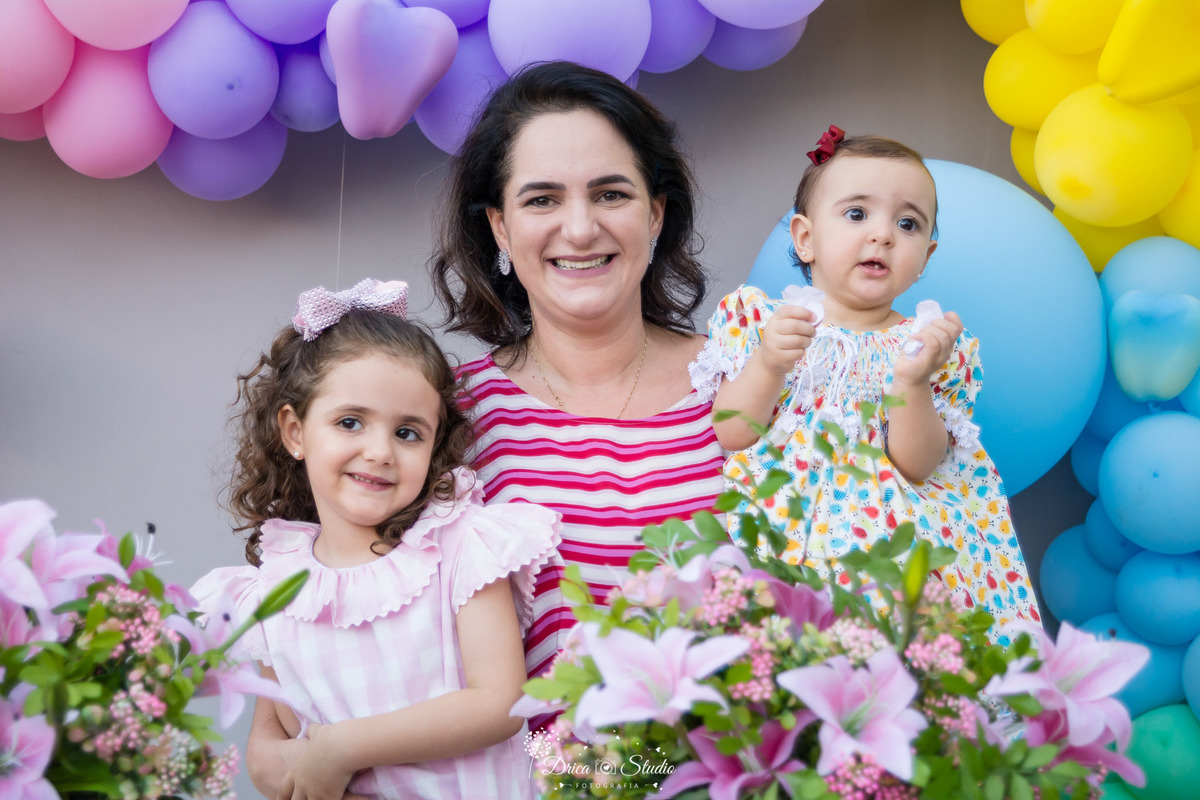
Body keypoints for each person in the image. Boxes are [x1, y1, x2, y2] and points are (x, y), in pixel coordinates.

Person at [191, 279, 560, 799]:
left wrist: (344, 748)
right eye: (350, 422)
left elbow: (498, 703)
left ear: (434, 445)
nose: (380, 451)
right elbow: (269, 746)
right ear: (295, 432)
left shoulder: (460, 548)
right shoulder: (276, 587)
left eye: (407, 432)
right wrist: (294, 762)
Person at [430, 61, 727, 691]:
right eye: (542, 199)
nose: (581, 228)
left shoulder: (746, 382)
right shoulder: (444, 416)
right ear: (500, 227)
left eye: (611, 194)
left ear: (655, 214)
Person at [689, 127, 1041, 635]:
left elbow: (918, 465)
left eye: (908, 223)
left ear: (927, 256)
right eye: (857, 214)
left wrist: (913, 383)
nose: (883, 235)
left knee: (896, 649)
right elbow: (731, 432)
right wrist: (767, 363)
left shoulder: (927, 344)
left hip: (889, 545)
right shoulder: (767, 321)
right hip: (780, 522)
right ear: (805, 239)